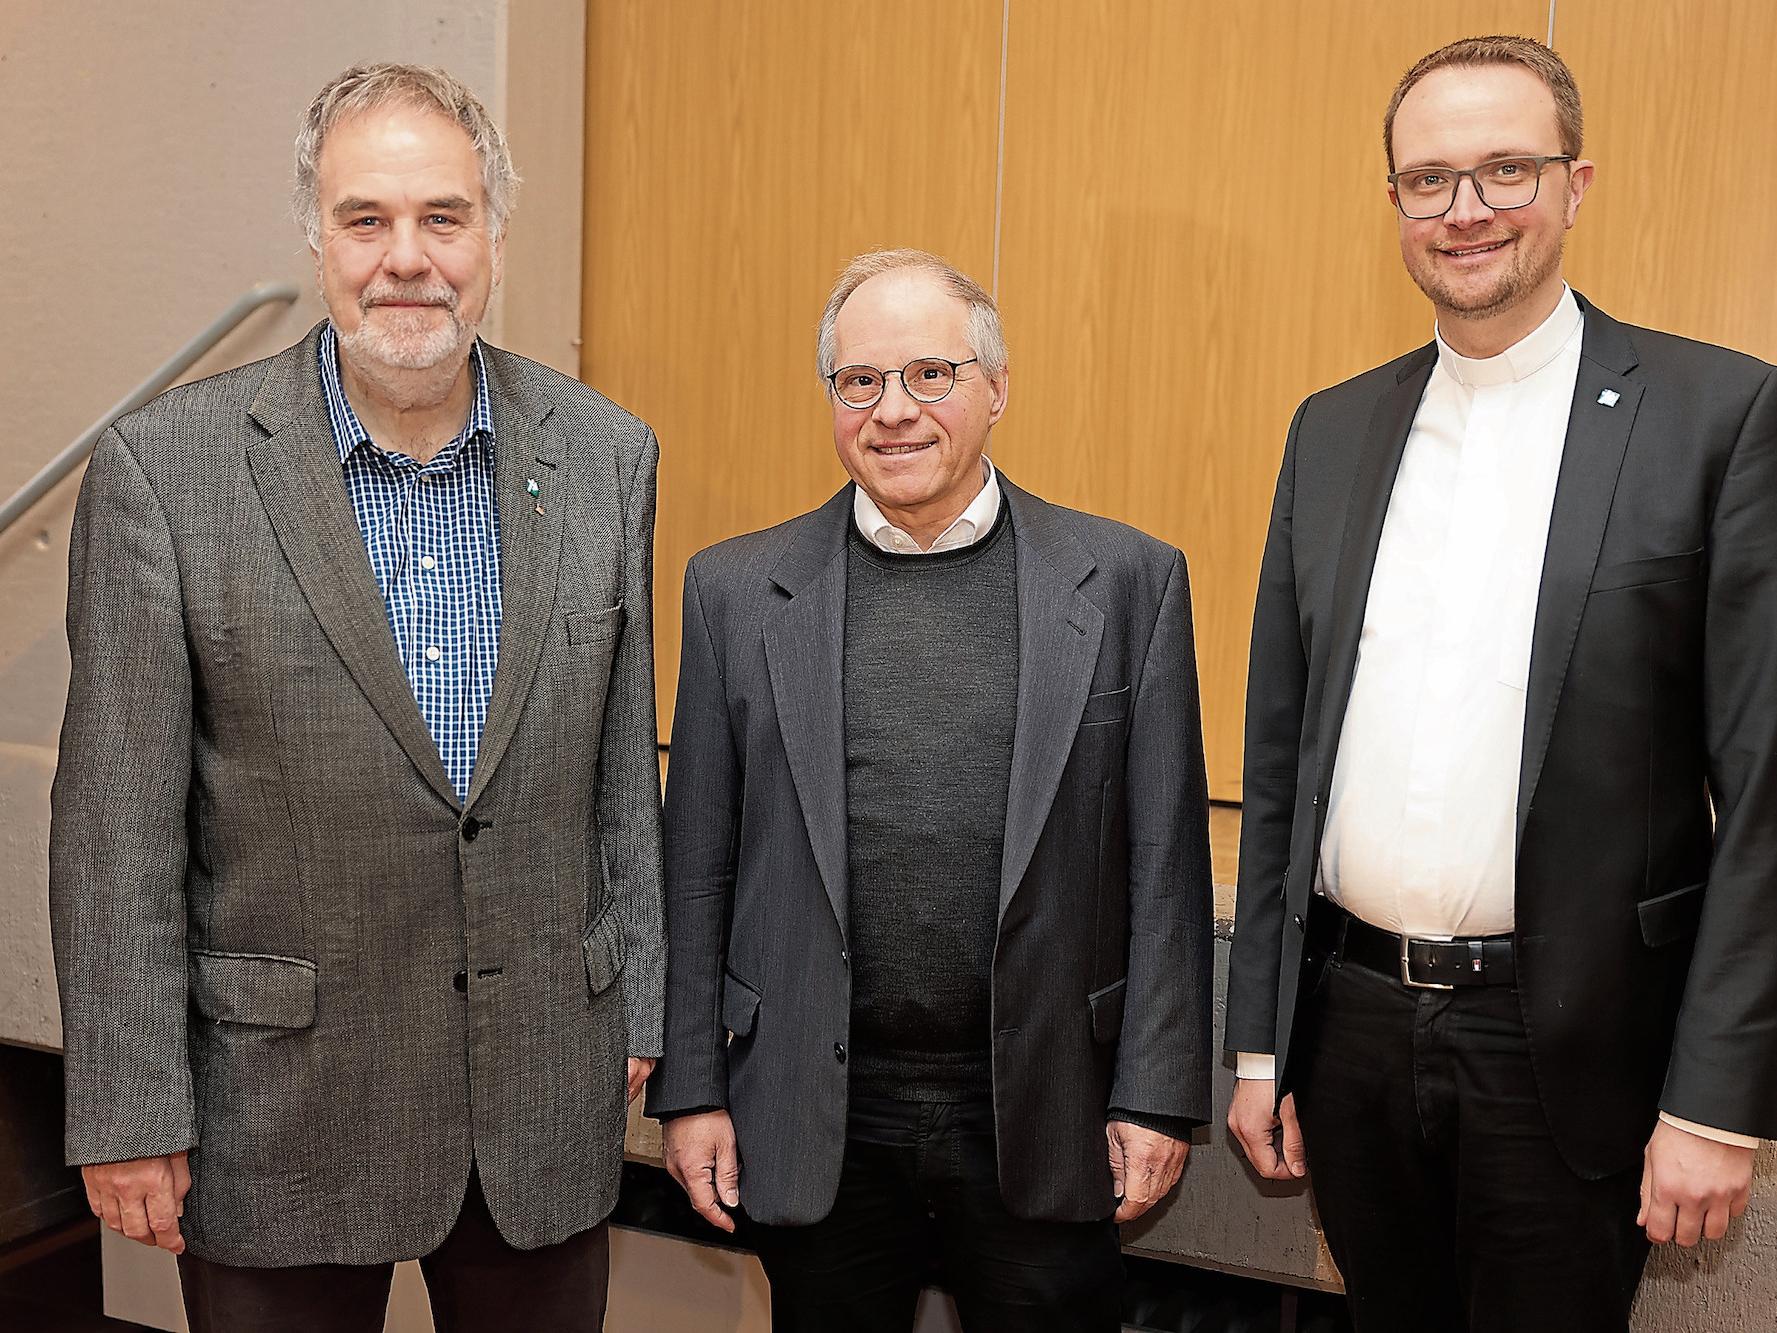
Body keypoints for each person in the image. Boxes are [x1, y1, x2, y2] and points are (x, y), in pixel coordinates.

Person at [49, 62, 663, 1332]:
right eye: (365, 220)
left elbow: (619, 772)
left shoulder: (607, 456)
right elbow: (117, 831)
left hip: (538, 1100)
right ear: (315, 236)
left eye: (442, 217)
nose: (407, 260)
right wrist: (127, 1109)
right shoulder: (166, 472)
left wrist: (641, 1003)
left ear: (494, 235)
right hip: (276, 1115)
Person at [1225, 34, 1777, 1333]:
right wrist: (1261, 1043)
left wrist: (1716, 1098)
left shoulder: (1716, 415)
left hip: (1568, 1046)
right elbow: (1278, 752)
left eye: (1503, 171)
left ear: (1576, 184)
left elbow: (1762, 790)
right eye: (1429, 180)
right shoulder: (1331, 427)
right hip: (1350, 1034)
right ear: (1396, 206)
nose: (1465, 209)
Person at [648, 248, 1214, 1332]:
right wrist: (692, 1088)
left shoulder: (1129, 581)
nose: (893, 410)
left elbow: (1163, 864)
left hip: (1044, 1100)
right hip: (818, 1107)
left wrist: (1152, 1092)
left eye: (930, 375)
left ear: (996, 387)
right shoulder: (733, 592)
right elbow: (699, 864)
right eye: (859, 381)